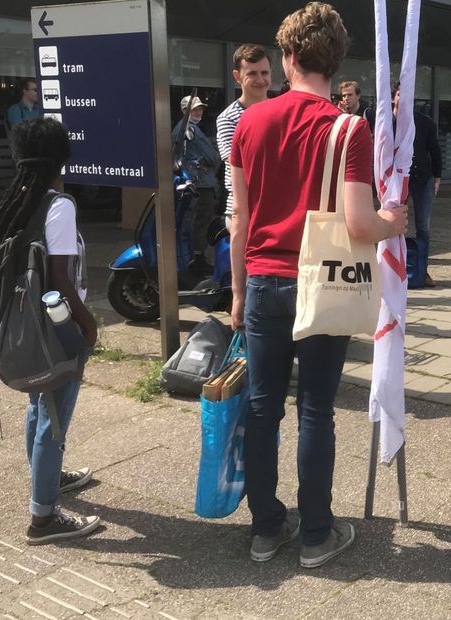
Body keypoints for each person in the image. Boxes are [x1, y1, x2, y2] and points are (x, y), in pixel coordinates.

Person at [229, 1, 406, 566]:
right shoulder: (348, 127)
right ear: (335, 60)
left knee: (261, 407)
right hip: (323, 285)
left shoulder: (249, 120)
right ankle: (315, 536)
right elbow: (358, 223)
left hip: (261, 278)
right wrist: (393, 223)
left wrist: (236, 291)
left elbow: (240, 216)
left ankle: (265, 529)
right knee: (314, 410)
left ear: (287, 59)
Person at [0, 117, 99, 544]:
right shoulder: (57, 206)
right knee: (53, 417)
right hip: (56, 329)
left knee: (39, 403)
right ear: (61, 158)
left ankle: (45, 478)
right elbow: (61, 278)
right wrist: (88, 325)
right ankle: (43, 516)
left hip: (25, 329)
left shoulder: (18, 203)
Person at [368, 84, 441, 286]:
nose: (405, 97)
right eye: (401, 94)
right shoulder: (384, 123)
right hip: (395, 182)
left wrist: (437, 177)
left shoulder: (425, 122)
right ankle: (392, 268)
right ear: (393, 97)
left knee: (423, 227)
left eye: (408, 93)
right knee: (393, 223)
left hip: (422, 179)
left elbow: (434, 150)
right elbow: (378, 154)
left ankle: (421, 270)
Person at [216, 44, 271, 231]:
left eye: (265, 73)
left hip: (279, 209)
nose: (260, 79)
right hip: (245, 212)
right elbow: (238, 169)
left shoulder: (282, 111)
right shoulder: (228, 118)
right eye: (252, 74)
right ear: (237, 76)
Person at [172, 95, 221, 268]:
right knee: (201, 223)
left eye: (200, 108)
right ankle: (197, 260)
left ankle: (195, 258)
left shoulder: (186, 128)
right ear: (185, 111)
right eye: (195, 109)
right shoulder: (189, 129)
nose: (199, 112)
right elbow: (212, 156)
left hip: (197, 182)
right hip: (200, 184)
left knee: (196, 222)